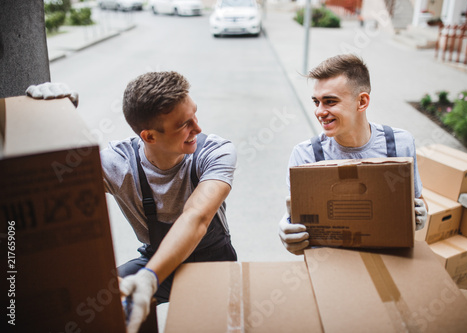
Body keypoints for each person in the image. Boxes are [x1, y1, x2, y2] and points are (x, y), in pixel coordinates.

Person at [26, 72, 238, 333]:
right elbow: (46, 181)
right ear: (149, 136)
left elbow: (196, 218)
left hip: (213, 263)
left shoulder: (216, 152)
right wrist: (51, 120)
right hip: (153, 257)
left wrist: (149, 278)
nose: (198, 128)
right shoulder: (117, 163)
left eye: (195, 114)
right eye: (184, 124)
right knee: (93, 302)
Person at [278, 54, 427, 255]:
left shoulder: (400, 144)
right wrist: (288, 230)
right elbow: (300, 228)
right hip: (331, 266)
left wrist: (420, 214)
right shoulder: (306, 156)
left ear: (362, 102)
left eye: (330, 101)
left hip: (390, 260)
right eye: (316, 102)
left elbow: (417, 199)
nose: (319, 112)